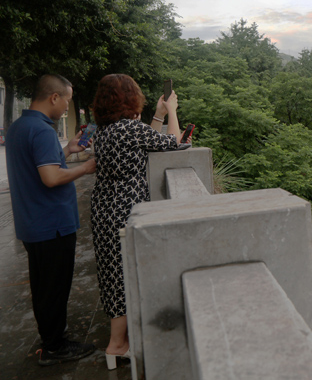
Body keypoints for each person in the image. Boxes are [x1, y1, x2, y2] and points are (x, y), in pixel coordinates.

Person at [89, 74, 184, 370]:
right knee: (123, 275)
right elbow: (172, 142)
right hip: (124, 211)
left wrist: (157, 114)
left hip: (104, 208)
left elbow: (146, 140)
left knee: (113, 274)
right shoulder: (128, 129)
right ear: (130, 99)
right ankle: (117, 345)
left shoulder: (105, 131)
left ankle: (119, 343)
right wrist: (173, 113)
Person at [5, 74, 97, 366]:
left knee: (44, 288)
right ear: (54, 97)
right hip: (51, 224)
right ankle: (55, 346)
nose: (67, 108)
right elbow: (51, 177)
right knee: (54, 290)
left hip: (32, 223)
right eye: (67, 100)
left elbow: (42, 166)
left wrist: (68, 150)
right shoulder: (43, 131)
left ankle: (51, 341)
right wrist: (86, 168)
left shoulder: (20, 126)